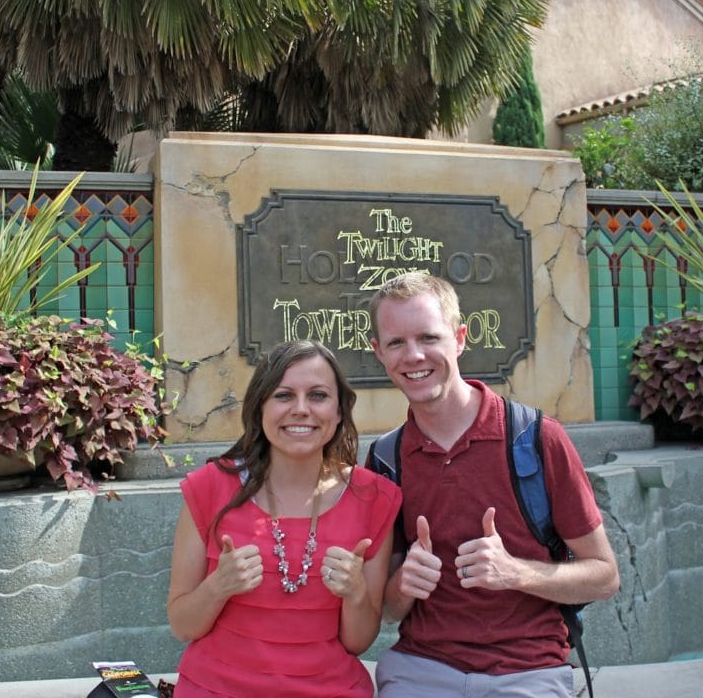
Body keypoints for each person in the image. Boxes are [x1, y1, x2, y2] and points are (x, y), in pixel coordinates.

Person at [366, 271, 620, 697]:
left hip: (527, 671)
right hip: (420, 668)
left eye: (428, 337)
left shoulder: (536, 439)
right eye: (396, 342)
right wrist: (403, 584)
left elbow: (605, 576)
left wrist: (516, 571)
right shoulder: (385, 460)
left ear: (460, 338)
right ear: (378, 352)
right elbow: (390, 610)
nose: (413, 355)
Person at [166, 340, 402, 697]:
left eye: (318, 396)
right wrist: (219, 586)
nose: (301, 409)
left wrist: (355, 593)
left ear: (339, 411)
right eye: (283, 396)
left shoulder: (375, 498)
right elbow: (182, 625)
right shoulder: (208, 487)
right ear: (260, 407)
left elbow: (358, 642)